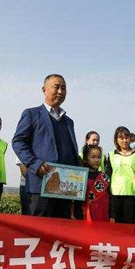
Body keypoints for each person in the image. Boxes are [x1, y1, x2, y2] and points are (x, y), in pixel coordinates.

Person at [12, 74, 79, 218]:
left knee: (61, 232)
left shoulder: (69, 121)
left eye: (64, 88)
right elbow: (18, 142)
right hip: (40, 185)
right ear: (44, 89)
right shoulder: (32, 114)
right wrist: (35, 164)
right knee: (39, 233)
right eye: (56, 87)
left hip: (65, 188)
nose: (60, 91)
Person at [105, 126, 135, 224]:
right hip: (115, 194)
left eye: (127, 138)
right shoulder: (112, 154)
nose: (124, 140)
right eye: (121, 138)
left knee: (129, 224)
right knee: (115, 224)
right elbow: (107, 175)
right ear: (116, 140)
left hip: (131, 194)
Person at [81, 145, 110, 222]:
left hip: (102, 212)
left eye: (99, 157)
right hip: (85, 213)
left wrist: (112, 214)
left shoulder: (104, 177)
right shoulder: (81, 176)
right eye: (93, 157)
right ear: (85, 159)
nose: (97, 160)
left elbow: (110, 196)